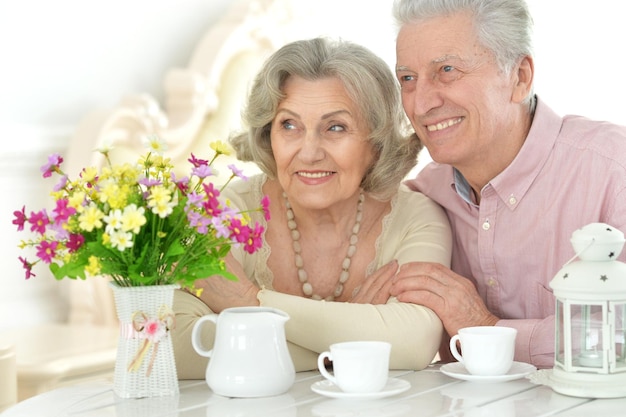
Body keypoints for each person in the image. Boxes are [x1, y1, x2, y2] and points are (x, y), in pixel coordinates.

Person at [172, 37, 453, 378]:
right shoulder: (227, 213)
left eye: (336, 127)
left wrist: (246, 300)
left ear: (377, 144)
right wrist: (350, 337)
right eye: (289, 125)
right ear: (267, 135)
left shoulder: (416, 217)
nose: (308, 152)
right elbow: (180, 347)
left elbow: (413, 343)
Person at [390, 0, 626, 369]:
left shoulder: (615, 170)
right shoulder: (423, 196)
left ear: (519, 77)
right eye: (407, 79)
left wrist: (486, 329)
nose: (420, 104)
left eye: (447, 70)